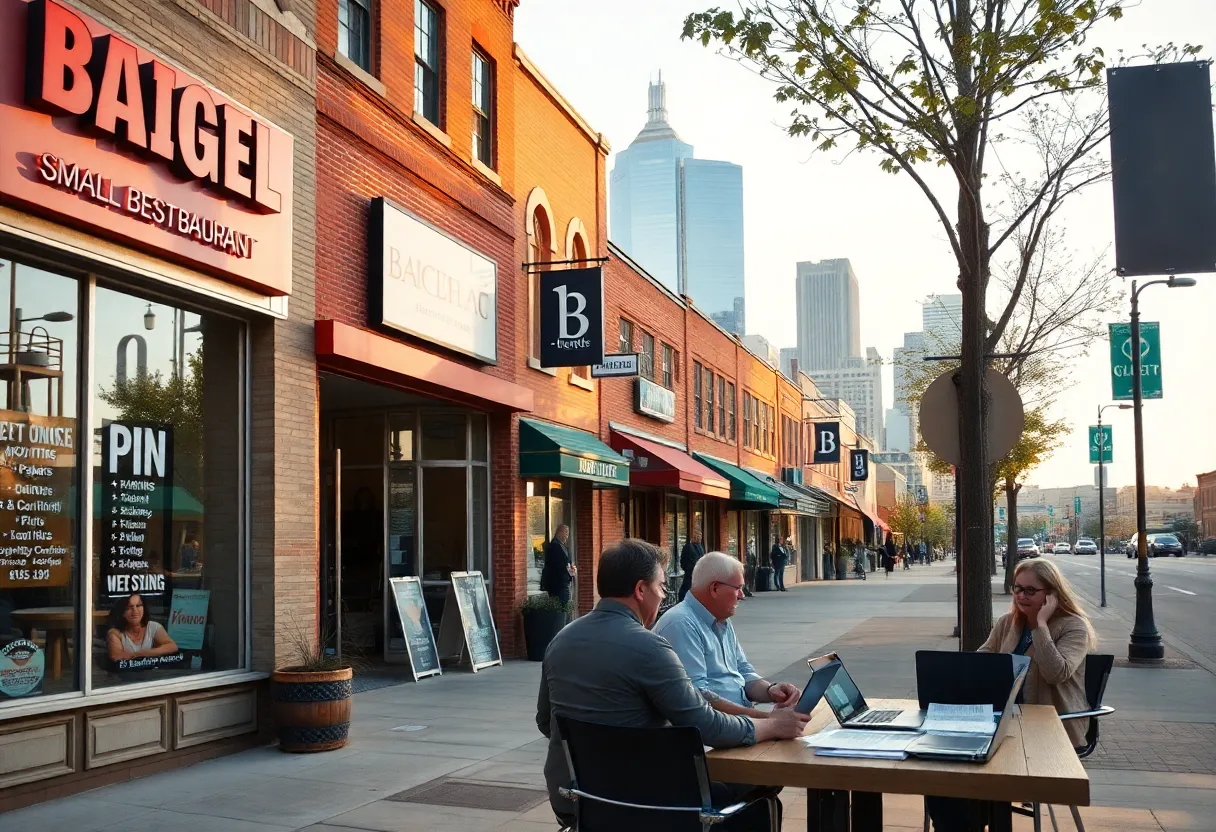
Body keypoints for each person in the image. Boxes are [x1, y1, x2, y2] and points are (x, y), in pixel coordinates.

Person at [537, 539, 809, 829]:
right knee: (761, 791)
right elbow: (705, 725)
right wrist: (773, 725)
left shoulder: (560, 641)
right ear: (641, 590)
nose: (664, 596)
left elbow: (546, 722)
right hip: (651, 804)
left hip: (579, 800)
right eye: (662, 587)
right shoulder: (651, 648)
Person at [926, 557, 1096, 831]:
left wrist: (1040, 625)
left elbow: (1056, 672)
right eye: (1018, 588)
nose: (1021, 595)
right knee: (942, 765)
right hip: (1002, 722)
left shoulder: (1073, 627)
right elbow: (982, 661)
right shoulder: (1008, 623)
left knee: (986, 768)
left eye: (1031, 590)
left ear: (1052, 594)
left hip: (1051, 730)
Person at [654, 551, 802, 718]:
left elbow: (743, 672)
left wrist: (771, 690)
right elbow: (698, 697)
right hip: (713, 735)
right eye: (738, 588)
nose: (741, 595)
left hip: (738, 721)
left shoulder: (720, 618)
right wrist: (765, 719)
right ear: (715, 588)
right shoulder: (680, 624)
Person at [105, 593, 178, 663]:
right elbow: (117, 657)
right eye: (129, 607)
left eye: (138, 605)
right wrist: (154, 652)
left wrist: (140, 654)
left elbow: (172, 647)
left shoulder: (153, 626)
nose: (135, 610)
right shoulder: (114, 633)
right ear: (122, 612)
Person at [540, 524, 576, 608]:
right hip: (558, 583)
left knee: (564, 604)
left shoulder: (562, 545)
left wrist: (571, 567)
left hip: (562, 581)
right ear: (559, 532)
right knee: (563, 605)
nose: (567, 535)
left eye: (568, 533)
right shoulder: (555, 545)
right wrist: (568, 568)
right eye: (565, 532)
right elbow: (556, 564)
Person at [678, 529, 704, 602]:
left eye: (700, 536)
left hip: (694, 571)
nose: (700, 538)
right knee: (687, 588)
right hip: (692, 572)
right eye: (698, 536)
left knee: (689, 588)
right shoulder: (690, 547)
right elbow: (683, 560)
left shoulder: (699, 546)